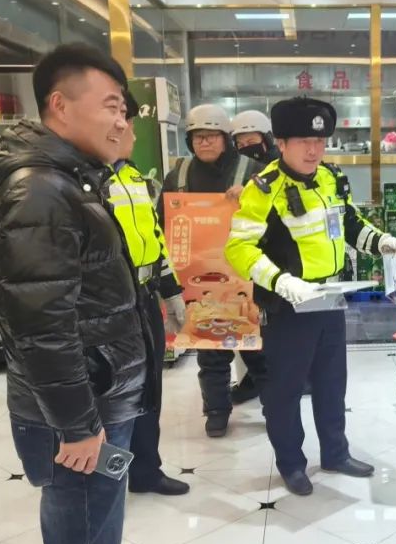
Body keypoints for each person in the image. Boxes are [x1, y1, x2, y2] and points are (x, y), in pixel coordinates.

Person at [0, 44, 157, 544]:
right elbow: (40, 327)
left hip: (95, 401)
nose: (123, 121)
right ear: (59, 104)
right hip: (75, 417)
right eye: (112, 106)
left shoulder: (72, 180)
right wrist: (78, 426)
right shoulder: (40, 192)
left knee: (95, 540)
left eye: (126, 110)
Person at [224, 97, 396, 496]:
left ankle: (336, 453)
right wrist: (281, 282)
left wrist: (382, 242)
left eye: (320, 142)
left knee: (331, 383)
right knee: (285, 390)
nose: (313, 150)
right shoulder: (263, 190)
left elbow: (349, 223)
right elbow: (238, 248)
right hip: (288, 306)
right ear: (282, 143)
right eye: (304, 141)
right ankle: (292, 464)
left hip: (330, 299)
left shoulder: (331, 178)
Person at [162, 104, 268, 437]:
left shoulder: (253, 171)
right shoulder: (177, 176)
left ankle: (277, 407)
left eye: (211, 136)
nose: (204, 142)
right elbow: (161, 224)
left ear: (225, 138)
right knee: (209, 350)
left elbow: (276, 216)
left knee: (258, 349)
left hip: (247, 279)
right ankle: (216, 411)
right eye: (198, 137)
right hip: (199, 282)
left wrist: (252, 196)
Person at [105, 90, 189, 497]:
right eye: (123, 120)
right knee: (112, 395)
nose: (132, 133)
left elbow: (156, 240)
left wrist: (170, 292)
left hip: (142, 299)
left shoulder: (134, 178)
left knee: (148, 389)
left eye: (130, 121)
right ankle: (107, 480)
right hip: (106, 307)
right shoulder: (83, 180)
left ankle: (145, 471)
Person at [230, 109, 280, 404]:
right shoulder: (239, 167)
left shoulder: (279, 165)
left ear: (267, 138)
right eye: (240, 142)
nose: (246, 146)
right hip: (249, 255)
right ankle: (255, 378)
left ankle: (284, 380)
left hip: (278, 257)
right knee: (248, 321)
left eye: (251, 141)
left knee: (277, 327)